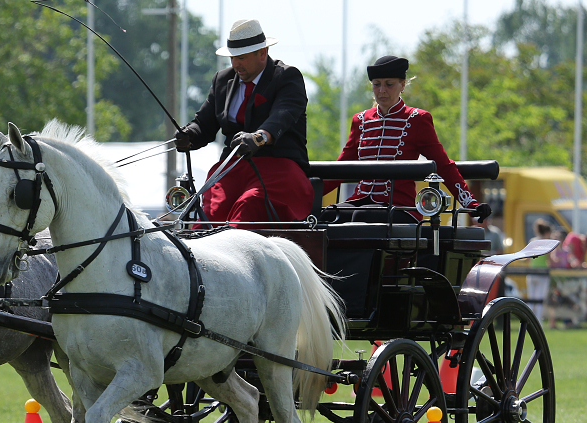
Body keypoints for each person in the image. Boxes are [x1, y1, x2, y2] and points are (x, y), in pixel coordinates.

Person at [175, 19, 312, 226]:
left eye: (242, 58)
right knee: (212, 213)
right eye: (233, 58)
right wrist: (188, 135)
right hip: (232, 168)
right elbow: (204, 123)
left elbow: (282, 115)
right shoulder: (222, 80)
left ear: (262, 53)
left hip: (279, 168)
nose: (236, 64)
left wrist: (259, 137)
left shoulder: (286, 77)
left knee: (250, 205)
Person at [325, 56, 490, 222]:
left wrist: (471, 204)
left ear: (402, 85)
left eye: (389, 84)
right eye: (376, 84)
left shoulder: (417, 119)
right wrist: (307, 197)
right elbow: (340, 168)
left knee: (362, 216)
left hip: (400, 207)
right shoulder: (360, 120)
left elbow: (443, 165)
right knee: (328, 215)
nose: (382, 90)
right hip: (360, 200)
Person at [526, 219, 552, 321]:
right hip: (542, 273)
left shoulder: (533, 241)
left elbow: (528, 259)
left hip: (532, 272)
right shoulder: (547, 243)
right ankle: (538, 322)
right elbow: (549, 260)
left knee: (531, 298)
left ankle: (529, 320)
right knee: (540, 299)